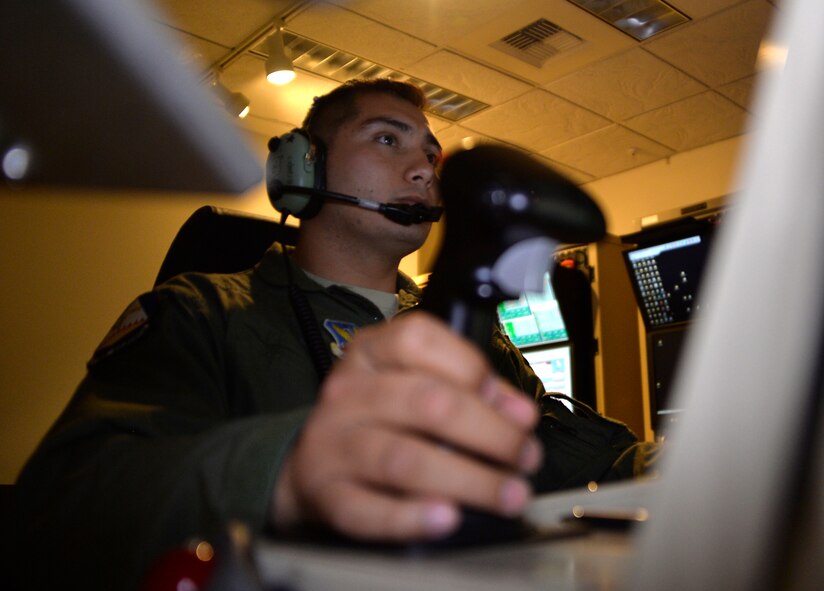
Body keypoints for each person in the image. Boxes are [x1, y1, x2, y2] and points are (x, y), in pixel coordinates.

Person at [15, 79, 654, 590]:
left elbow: (565, 453)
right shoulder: (202, 313)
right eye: (386, 140)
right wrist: (282, 472)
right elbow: (57, 515)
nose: (425, 169)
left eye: (431, 154)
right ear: (303, 168)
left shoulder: (469, 337)